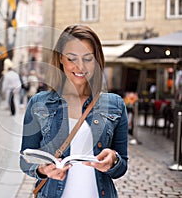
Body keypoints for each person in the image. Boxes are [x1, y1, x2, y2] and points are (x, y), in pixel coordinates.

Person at [20, 25, 128, 198]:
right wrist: (42, 170)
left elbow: (122, 166)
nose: (80, 66)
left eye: (87, 58)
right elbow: (25, 160)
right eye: (72, 58)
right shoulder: (39, 103)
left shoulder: (115, 105)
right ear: (60, 59)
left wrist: (113, 160)